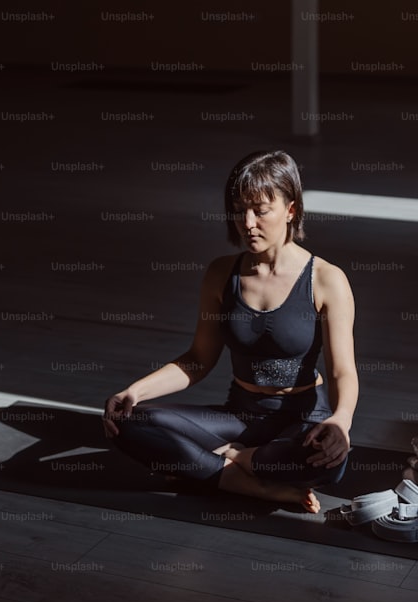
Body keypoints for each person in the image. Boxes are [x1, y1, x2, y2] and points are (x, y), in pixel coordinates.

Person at [102, 150, 358, 513]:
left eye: (260, 210)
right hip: (240, 415)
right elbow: (197, 360)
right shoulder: (221, 274)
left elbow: (341, 370)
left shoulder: (327, 280)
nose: (247, 222)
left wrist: (341, 421)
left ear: (291, 210)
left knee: (330, 462)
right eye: (239, 210)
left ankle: (222, 462)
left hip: (301, 420)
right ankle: (246, 482)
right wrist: (135, 391)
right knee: (129, 423)